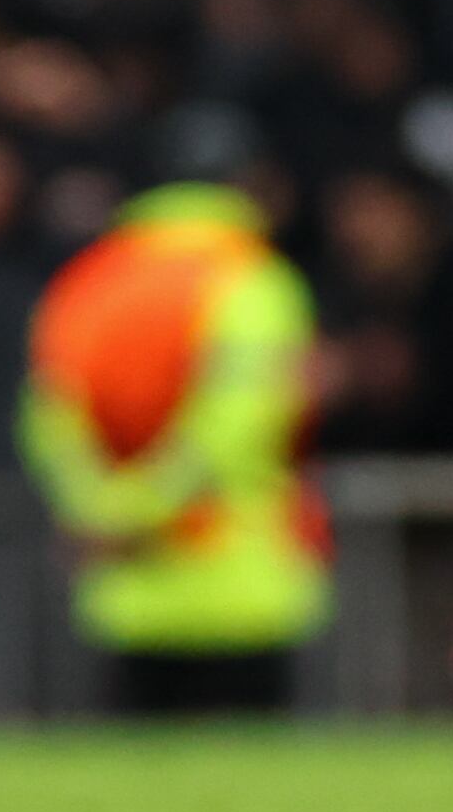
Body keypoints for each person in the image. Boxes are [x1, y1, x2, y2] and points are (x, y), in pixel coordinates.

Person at [22, 181, 328, 712]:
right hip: (240, 583)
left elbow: (51, 420)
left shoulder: (86, 283)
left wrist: (106, 512)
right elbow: (239, 423)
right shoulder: (250, 277)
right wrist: (155, 507)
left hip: (124, 586)